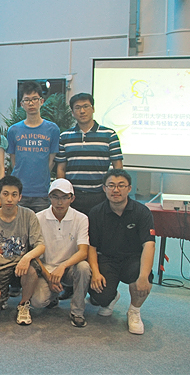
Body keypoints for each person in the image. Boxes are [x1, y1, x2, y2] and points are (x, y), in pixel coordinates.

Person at [88, 169, 155, 335]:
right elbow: (92, 247)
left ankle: (134, 311)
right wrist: (95, 273)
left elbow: (149, 245)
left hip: (132, 259)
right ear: (104, 188)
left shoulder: (142, 212)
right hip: (107, 260)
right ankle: (111, 297)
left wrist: (143, 276)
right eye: (111, 185)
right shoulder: (96, 213)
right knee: (100, 296)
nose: (115, 190)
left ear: (129, 188)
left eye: (121, 186)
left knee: (143, 278)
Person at [0, 175, 45, 325]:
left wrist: (26, 258)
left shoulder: (29, 215)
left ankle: (24, 304)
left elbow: (40, 246)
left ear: (20, 197)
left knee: (31, 269)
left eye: (14, 195)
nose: (9, 199)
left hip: (22, 265)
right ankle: (2, 297)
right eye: (5, 194)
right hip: (0, 267)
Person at [29, 179, 91, 328]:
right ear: (49, 197)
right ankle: (53, 296)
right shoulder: (38, 218)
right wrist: (49, 277)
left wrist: (62, 266)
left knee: (84, 267)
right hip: (47, 268)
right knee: (37, 302)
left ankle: (77, 311)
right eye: (55, 197)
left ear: (72, 198)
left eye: (64, 197)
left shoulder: (81, 218)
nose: (60, 202)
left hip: (70, 268)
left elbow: (83, 252)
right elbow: (34, 254)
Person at [55, 93, 123, 215]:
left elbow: (118, 167)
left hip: (100, 195)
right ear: (72, 112)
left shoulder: (109, 135)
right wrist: (63, 193)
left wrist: (113, 190)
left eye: (86, 106)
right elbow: (61, 168)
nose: (82, 111)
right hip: (74, 196)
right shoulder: (64, 136)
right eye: (77, 108)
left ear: (93, 108)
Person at [6, 81, 60, 213]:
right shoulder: (13, 130)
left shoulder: (52, 129)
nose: (31, 103)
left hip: (42, 192)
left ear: (42, 101)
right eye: (27, 100)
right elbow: (14, 161)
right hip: (19, 192)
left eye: (35, 99)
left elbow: (51, 161)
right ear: (22, 104)